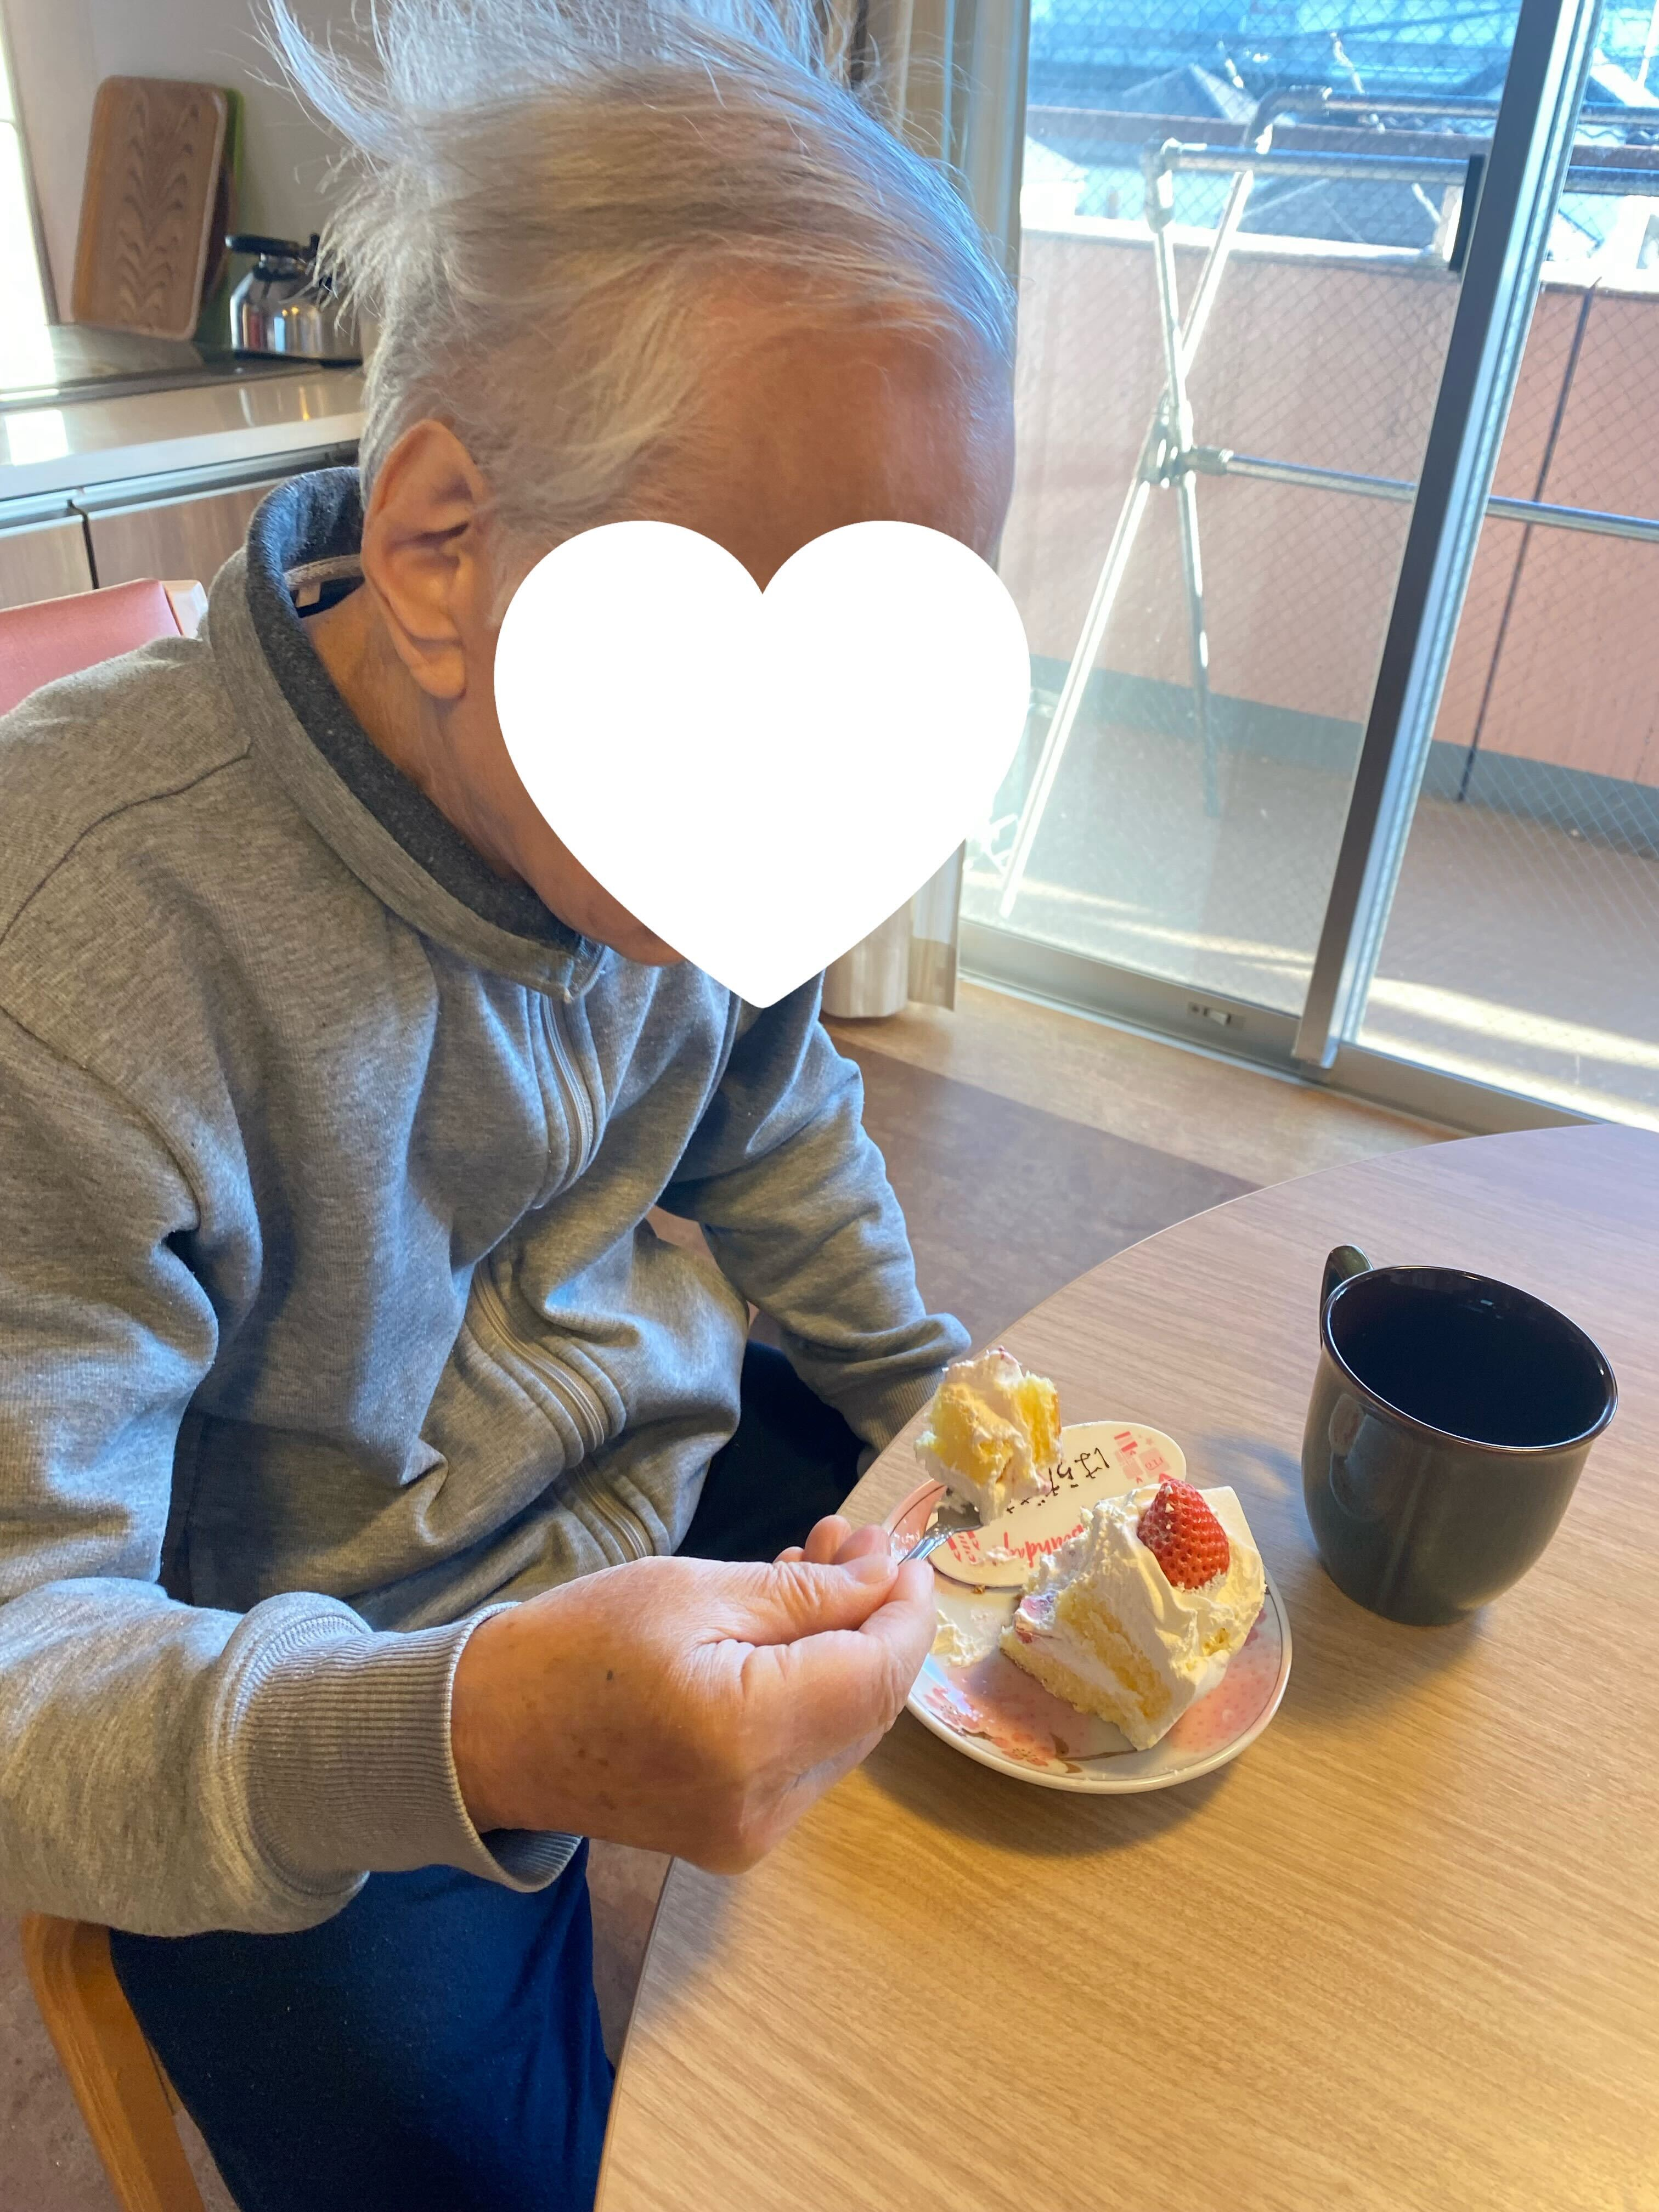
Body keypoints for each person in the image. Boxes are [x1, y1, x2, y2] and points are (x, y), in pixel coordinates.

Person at [0, 1, 1016, 2205]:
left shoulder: (698, 835)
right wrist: (477, 1728)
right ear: (444, 543)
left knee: (1033, 1701)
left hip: (636, 1462)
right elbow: (21, 1676)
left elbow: (775, 1115)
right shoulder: (69, 956)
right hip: (300, 1667)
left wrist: (933, 1401)